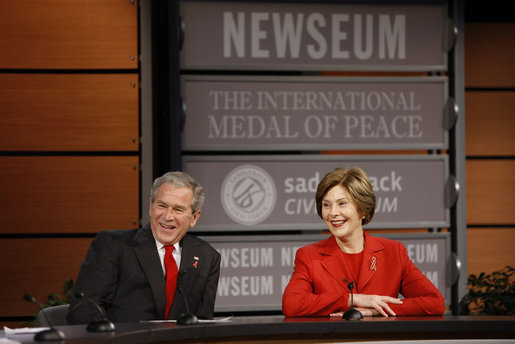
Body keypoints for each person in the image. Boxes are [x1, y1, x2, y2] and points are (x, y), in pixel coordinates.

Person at [282, 167, 444, 318]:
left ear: (363, 209)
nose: (333, 213)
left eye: (342, 203)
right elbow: (292, 304)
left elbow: (435, 302)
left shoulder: (393, 252)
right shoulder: (309, 256)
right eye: (326, 205)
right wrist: (353, 300)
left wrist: (375, 310)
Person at [67, 171, 221, 324]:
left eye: (178, 209)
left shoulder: (207, 258)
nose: (167, 216)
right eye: (162, 206)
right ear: (151, 207)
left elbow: (204, 324)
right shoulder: (113, 245)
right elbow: (83, 310)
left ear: (194, 217)